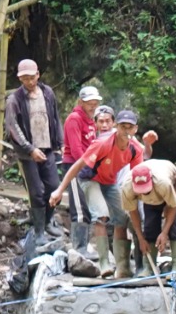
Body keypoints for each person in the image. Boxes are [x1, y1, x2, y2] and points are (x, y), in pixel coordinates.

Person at [51, 111, 146, 275]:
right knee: (101, 215)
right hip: (89, 179)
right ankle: (104, 264)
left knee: (122, 218)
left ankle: (122, 267)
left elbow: (135, 176)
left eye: (129, 128)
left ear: (135, 129)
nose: (126, 131)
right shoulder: (102, 143)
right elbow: (78, 165)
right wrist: (59, 190)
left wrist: (137, 199)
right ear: (116, 127)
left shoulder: (135, 149)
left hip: (110, 181)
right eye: (123, 127)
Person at [3, 61, 63, 236]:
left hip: (48, 149)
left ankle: (47, 221)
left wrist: (61, 143)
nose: (29, 82)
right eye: (25, 79)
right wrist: (29, 149)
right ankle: (38, 231)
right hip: (28, 154)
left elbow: (55, 118)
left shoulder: (47, 93)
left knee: (54, 187)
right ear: (20, 78)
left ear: (38, 75)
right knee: (36, 192)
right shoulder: (14, 100)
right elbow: (12, 127)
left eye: (32, 77)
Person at [63, 85, 108, 245]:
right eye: (90, 103)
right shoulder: (74, 119)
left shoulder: (91, 119)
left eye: (96, 102)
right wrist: (88, 167)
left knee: (89, 207)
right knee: (79, 208)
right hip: (75, 167)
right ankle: (79, 247)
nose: (93, 106)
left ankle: (86, 245)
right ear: (81, 102)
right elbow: (76, 150)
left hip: (88, 168)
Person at [125, 151, 176, 275]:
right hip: (152, 199)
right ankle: (148, 267)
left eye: (146, 189)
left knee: (174, 226)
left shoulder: (163, 183)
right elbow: (133, 212)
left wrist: (164, 232)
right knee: (150, 226)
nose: (143, 192)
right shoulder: (127, 187)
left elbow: (174, 205)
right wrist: (140, 238)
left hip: (175, 185)